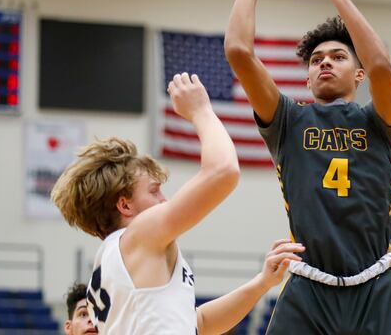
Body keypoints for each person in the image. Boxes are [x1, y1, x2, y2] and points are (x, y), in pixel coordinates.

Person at [223, 0, 391, 334]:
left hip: (375, 286)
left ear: (358, 74)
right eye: (315, 60)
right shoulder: (289, 122)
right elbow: (240, 53)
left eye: (338, 56)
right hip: (310, 288)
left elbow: (382, 66)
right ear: (308, 79)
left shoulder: (377, 121)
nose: (324, 63)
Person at [51, 73, 304, 334]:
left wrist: (262, 283)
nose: (165, 200)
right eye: (155, 191)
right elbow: (223, 171)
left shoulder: (115, 260)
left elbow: (199, 324)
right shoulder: (140, 233)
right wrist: (201, 111)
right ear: (125, 206)